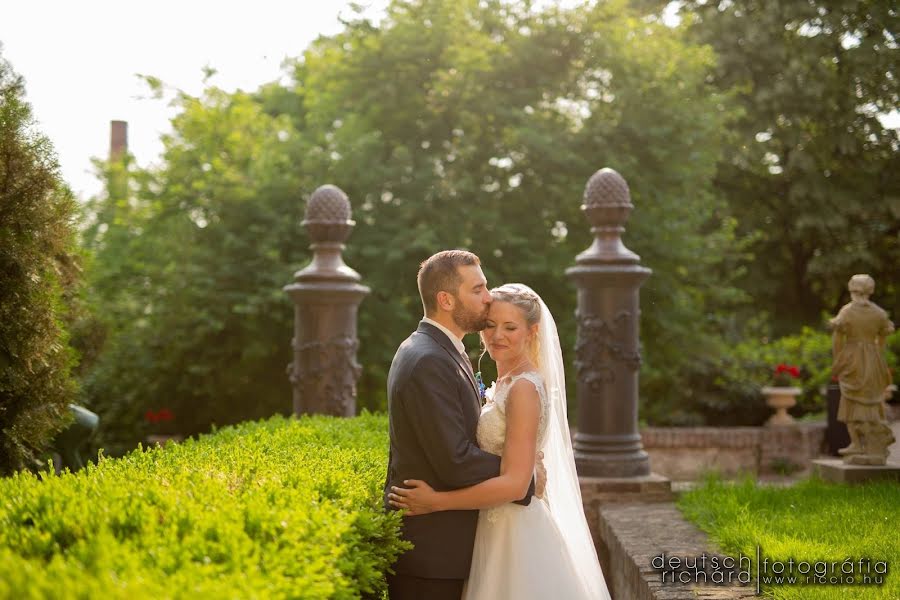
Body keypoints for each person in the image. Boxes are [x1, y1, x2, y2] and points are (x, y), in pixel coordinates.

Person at [389, 283, 612, 600]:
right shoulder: (504, 383)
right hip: (487, 527)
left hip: (514, 531)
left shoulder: (523, 389)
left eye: (510, 327)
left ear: (532, 332)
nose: (497, 336)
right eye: (490, 325)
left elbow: (513, 485)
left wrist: (436, 502)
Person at [382, 251, 537, 600]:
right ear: (446, 299)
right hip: (430, 555)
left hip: (450, 549)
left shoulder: (443, 351)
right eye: (479, 289)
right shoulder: (428, 360)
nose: (489, 297)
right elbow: (456, 461)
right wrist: (522, 475)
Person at [830, 274, 895, 464]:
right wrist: (876, 355)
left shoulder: (847, 312)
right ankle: (866, 445)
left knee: (850, 402)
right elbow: (883, 339)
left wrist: (838, 359)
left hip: (852, 357)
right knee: (871, 402)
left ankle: (858, 443)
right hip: (873, 359)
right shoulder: (879, 313)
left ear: (852, 290)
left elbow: (837, 338)